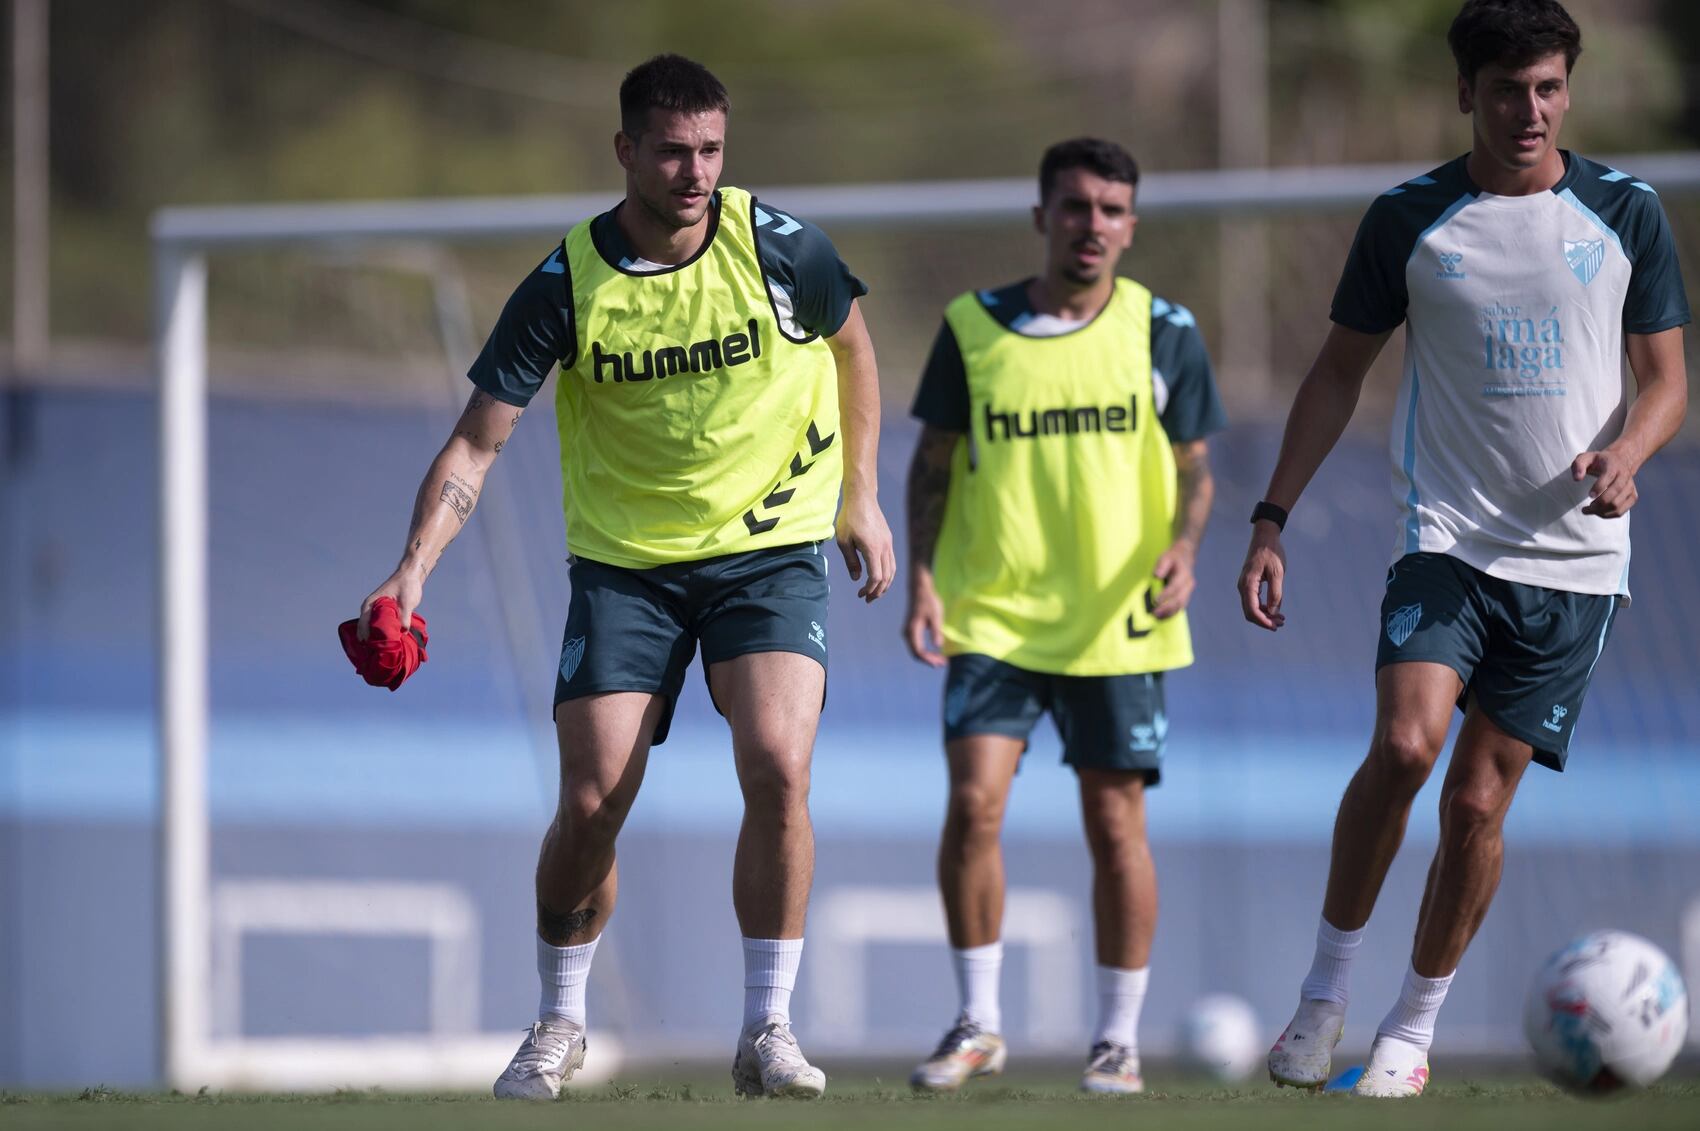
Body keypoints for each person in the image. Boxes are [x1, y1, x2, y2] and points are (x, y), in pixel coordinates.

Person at [356, 53, 895, 1101]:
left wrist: (857, 494)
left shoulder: (781, 247)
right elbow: (475, 446)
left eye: (710, 149)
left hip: (767, 549)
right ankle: (559, 1020)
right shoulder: (565, 281)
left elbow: (852, 349)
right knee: (593, 797)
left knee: (780, 766)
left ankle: (767, 1030)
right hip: (626, 568)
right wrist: (409, 569)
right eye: (670, 150)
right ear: (625, 152)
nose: (693, 171)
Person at [1238, 0, 1688, 1098]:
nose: (1525, 110)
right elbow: (1335, 372)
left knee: (1477, 804)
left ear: (1565, 90)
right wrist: (1270, 518)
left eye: (1543, 88)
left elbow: (1668, 379)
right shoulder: (1409, 219)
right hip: (1443, 538)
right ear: (1463, 94)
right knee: (1402, 747)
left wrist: (1626, 451)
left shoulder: (1623, 212)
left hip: (1575, 564)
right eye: (1503, 90)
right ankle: (1321, 997)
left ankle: (1408, 1030)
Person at [903, 138, 1226, 1095]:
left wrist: (1185, 548)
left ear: (1132, 224)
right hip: (994, 612)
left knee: (1115, 823)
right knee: (973, 806)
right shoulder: (974, 325)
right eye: (1077, 206)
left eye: (1113, 209)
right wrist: (924, 578)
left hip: (1116, 619)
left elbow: (1196, 466)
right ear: (1042, 215)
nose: (1094, 225)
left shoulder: (1165, 329)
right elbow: (931, 463)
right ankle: (979, 1024)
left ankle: (1116, 1038)